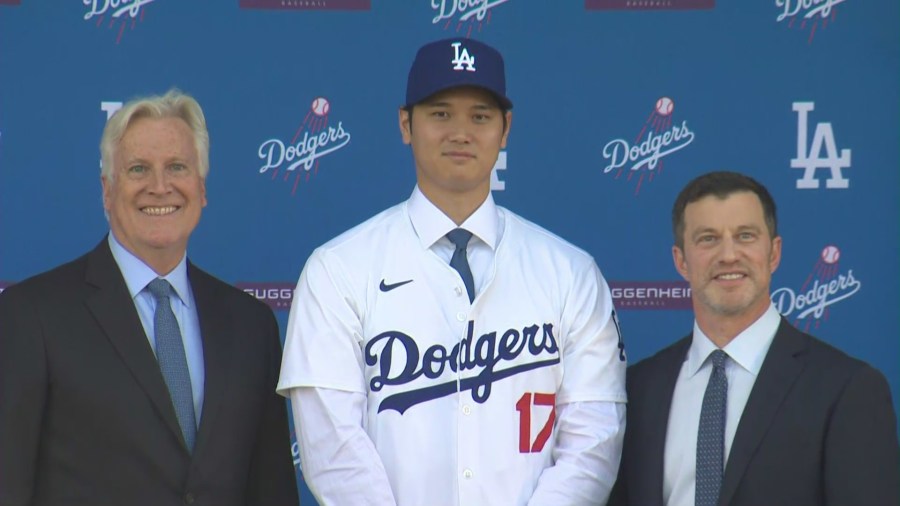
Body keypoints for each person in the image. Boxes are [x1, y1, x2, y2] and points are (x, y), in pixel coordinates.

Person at [277, 37, 627, 505]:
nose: (460, 132)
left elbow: (593, 441)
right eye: (440, 113)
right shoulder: (338, 269)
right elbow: (332, 448)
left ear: (506, 129)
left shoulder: (571, 273)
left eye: (480, 116)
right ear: (406, 124)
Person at [0, 90, 299, 506]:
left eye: (177, 167)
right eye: (139, 169)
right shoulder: (32, 316)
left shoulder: (252, 326)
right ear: (107, 191)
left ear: (201, 187)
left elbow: (272, 491)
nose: (160, 187)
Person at [609, 171, 900, 506]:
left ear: (774, 253)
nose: (729, 255)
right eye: (708, 238)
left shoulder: (846, 389)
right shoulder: (640, 389)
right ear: (681, 261)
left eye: (745, 236)